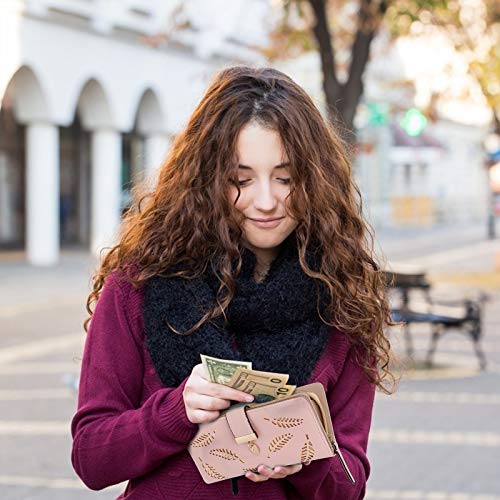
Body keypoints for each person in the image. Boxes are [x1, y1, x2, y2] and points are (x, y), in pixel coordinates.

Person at [71, 66, 397, 499]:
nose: (265, 201)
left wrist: (305, 459)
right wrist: (176, 411)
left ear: (317, 180)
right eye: (239, 180)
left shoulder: (343, 299)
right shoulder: (139, 282)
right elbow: (92, 457)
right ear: (205, 180)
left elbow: (350, 485)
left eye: (285, 178)